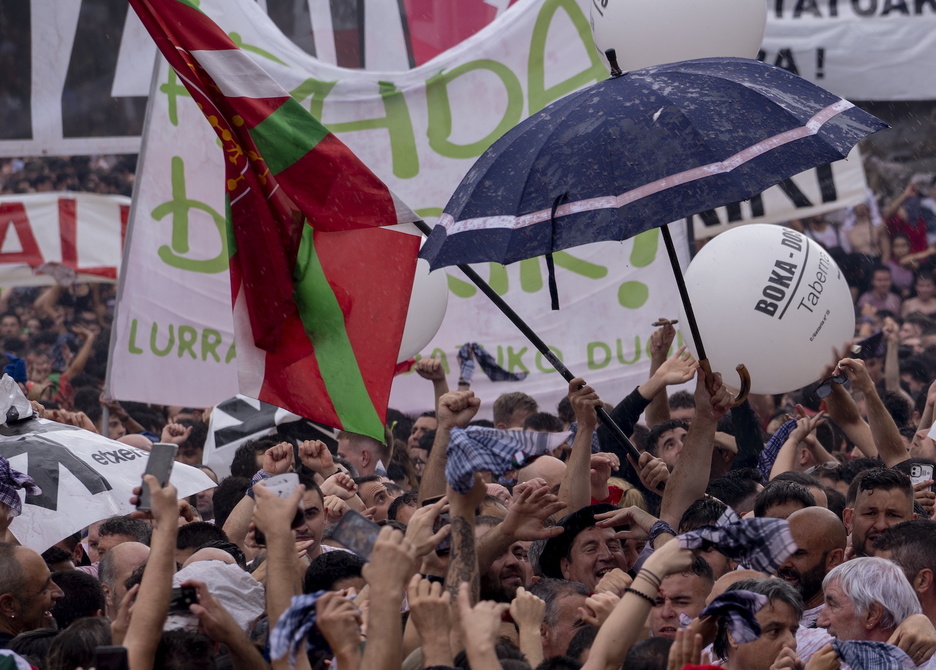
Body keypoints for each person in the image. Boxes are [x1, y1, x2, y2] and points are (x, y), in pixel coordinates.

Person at [0, 544, 64, 647]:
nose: (60, 593)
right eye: (45, 587)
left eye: (51, 579)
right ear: (8, 605)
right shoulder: (14, 662)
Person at [843, 468, 916, 558]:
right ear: (849, 519)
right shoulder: (834, 570)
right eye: (870, 514)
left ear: (913, 524)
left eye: (893, 515)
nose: (881, 525)